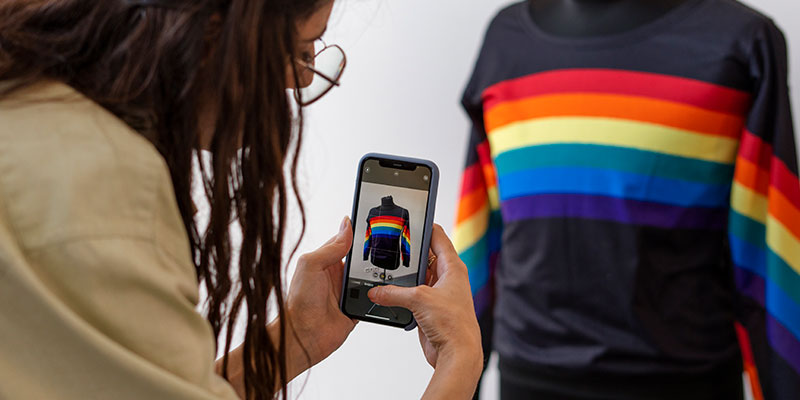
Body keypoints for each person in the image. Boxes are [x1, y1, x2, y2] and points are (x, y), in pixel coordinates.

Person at [0, 1, 482, 399]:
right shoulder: (110, 191)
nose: (302, 79)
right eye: (301, 50)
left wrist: (299, 336)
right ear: (214, 28)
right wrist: (458, 365)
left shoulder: (40, 114)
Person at [455, 0, 800, 399]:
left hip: (683, 380)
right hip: (528, 378)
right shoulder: (507, 38)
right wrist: (460, 375)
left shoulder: (739, 42)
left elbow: (771, 252)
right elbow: (480, 234)